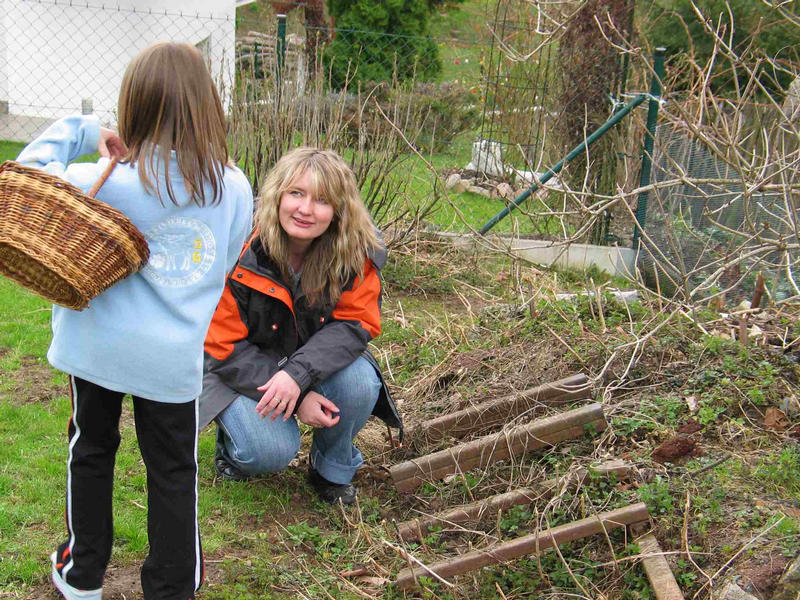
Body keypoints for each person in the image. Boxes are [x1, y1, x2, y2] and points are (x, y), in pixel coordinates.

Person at [16, 42, 254, 600]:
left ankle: (82, 573)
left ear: (134, 105)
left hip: (94, 349)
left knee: (91, 449)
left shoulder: (101, 178)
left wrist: (81, 129)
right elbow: (224, 262)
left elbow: (22, 178)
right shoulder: (232, 188)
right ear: (207, 106)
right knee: (173, 469)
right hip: (170, 361)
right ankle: (173, 585)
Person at [199, 147, 402, 505]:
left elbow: (356, 322)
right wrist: (298, 399)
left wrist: (297, 376)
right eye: (296, 193)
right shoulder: (240, 247)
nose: (306, 209)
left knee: (359, 380)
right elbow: (221, 344)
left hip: (307, 362)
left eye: (322, 200)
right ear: (277, 195)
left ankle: (332, 467)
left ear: (339, 210)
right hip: (243, 369)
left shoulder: (356, 252)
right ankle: (233, 450)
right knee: (268, 451)